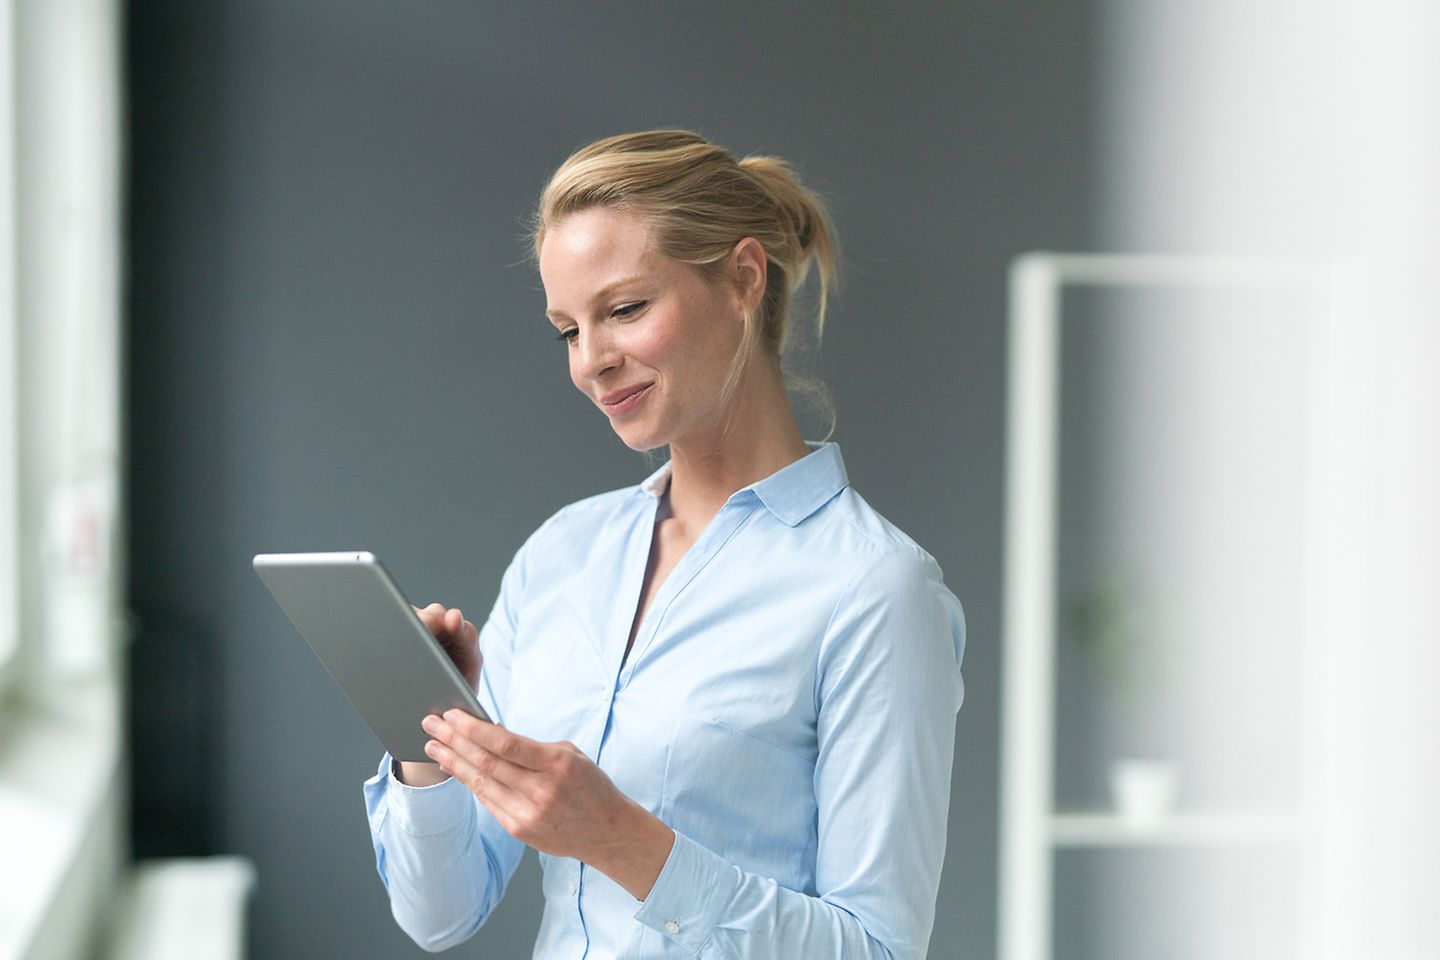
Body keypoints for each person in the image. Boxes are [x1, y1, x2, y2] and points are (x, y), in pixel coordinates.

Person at [362, 130, 966, 959]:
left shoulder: (874, 588)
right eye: (567, 329)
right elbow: (440, 913)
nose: (592, 363)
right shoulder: (562, 555)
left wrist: (621, 839)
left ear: (744, 279)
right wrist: (425, 738)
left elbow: (877, 950)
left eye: (624, 310)